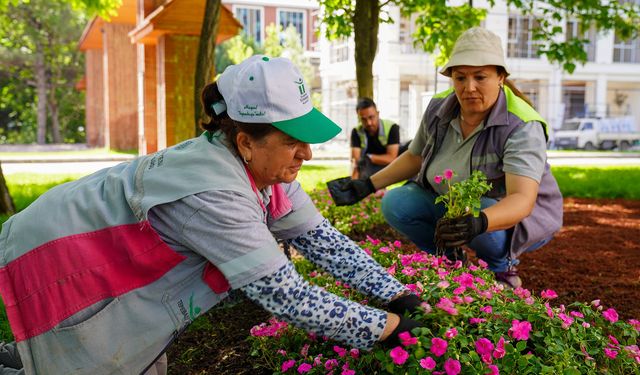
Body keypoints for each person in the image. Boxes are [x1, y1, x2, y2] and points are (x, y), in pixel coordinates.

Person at [0, 55, 423, 375]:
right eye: (294, 140)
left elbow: (320, 240)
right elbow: (284, 295)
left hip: (85, 243)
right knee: (86, 361)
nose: (308, 154)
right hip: (63, 254)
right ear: (246, 141)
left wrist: (396, 293)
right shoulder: (214, 193)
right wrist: (386, 327)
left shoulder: (265, 170)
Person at [330, 27, 563, 289]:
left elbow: (521, 199)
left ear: (500, 76)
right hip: (457, 206)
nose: (469, 87)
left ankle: (502, 269)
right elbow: (415, 156)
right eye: (460, 77)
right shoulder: (440, 107)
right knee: (396, 203)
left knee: (479, 211)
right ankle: (451, 260)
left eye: (480, 77)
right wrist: (367, 185)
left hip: (510, 217)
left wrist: (479, 223)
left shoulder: (522, 124)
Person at [350, 98, 402, 180]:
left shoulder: (392, 127)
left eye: (371, 117)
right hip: (367, 167)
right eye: (363, 119)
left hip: (392, 165)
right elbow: (356, 160)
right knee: (362, 166)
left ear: (378, 114)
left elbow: (392, 158)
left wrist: (370, 157)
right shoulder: (356, 131)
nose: (369, 123)